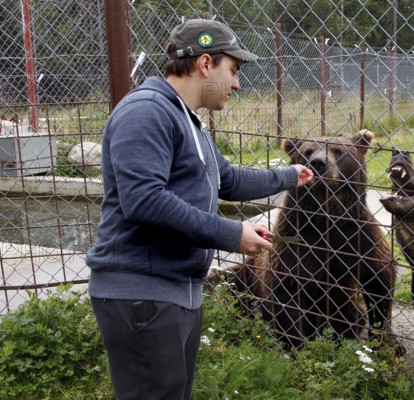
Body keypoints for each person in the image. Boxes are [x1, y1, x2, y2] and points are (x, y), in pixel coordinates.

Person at [86, 18, 313, 400]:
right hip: (143, 293)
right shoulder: (147, 112)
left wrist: (289, 175)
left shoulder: (187, 119)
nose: (237, 84)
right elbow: (144, 200)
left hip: (175, 291)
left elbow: (227, 180)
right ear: (205, 63)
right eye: (234, 71)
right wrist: (230, 234)